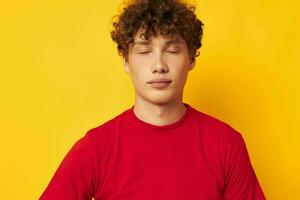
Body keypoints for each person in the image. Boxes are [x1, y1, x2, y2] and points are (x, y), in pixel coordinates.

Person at [40, 0, 266, 199]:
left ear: (191, 59)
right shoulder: (96, 148)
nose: (159, 66)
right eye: (144, 51)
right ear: (126, 61)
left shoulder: (226, 144)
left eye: (173, 50)